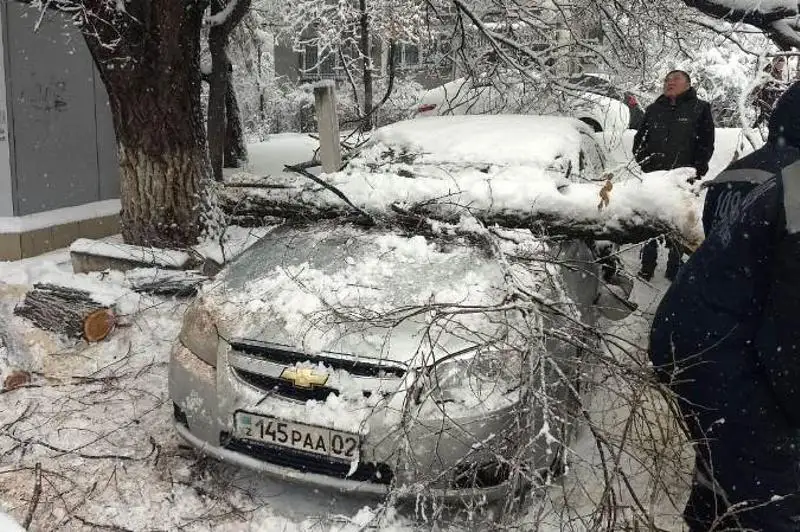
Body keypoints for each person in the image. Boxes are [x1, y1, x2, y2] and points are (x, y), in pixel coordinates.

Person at [649, 81, 800, 531]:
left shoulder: (751, 171)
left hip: (700, 340)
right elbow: (791, 328)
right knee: (776, 501)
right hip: (733, 355)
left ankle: (713, 507)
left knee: (726, 464)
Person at [633, 70, 715, 281]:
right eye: (667, 80)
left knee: (679, 223)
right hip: (655, 177)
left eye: (675, 79)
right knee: (650, 220)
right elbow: (640, 142)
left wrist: (696, 170)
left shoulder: (700, 109)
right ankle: (647, 264)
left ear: (687, 85)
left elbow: (706, 143)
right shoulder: (653, 110)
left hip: (683, 179)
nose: (669, 83)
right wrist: (646, 165)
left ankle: (674, 266)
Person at [753, 57, 787, 127]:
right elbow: (761, 81)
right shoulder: (769, 69)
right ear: (775, 63)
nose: (781, 66)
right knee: (767, 113)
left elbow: (778, 84)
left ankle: (754, 128)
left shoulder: (779, 72)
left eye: (782, 65)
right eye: (780, 64)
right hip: (765, 95)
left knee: (766, 114)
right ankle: (772, 128)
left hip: (772, 96)